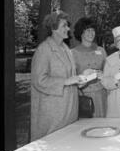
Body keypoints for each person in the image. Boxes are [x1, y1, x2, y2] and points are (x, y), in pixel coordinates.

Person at [30, 10, 85, 141]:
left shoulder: (66, 49)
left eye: (67, 25)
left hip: (70, 110)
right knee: (52, 146)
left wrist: (79, 81)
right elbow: (39, 81)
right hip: (53, 113)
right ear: (54, 29)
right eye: (64, 26)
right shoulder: (44, 50)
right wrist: (66, 81)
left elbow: (70, 77)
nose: (68, 28)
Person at [71, 17, 107, 117]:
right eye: (87, 30)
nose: (91, 33)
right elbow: (71, 77)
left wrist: (103, 74)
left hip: (102, 94)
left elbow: (107, 72)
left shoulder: (101, 50)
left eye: (93, 30)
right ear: (81, 32)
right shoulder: (73, 53)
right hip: (84, 95)